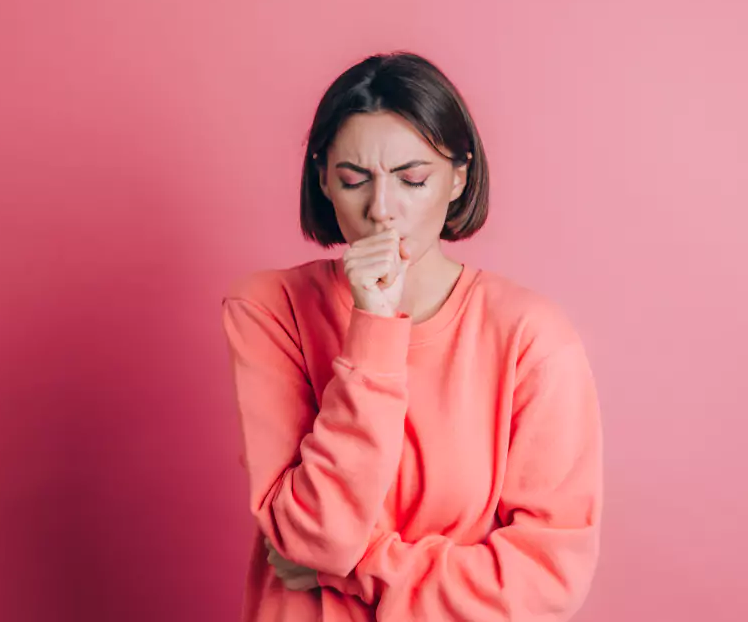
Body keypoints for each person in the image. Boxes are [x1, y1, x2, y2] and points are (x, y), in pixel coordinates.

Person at [221, 51, 603, 621]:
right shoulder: (269, 310)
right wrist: (372, 326)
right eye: (354, 180)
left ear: (458, 178)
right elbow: (311, 537)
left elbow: (545, 580)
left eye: (413, 179)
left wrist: (359, 567)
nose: (381, 211)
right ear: (323, 177)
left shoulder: (532, 338)